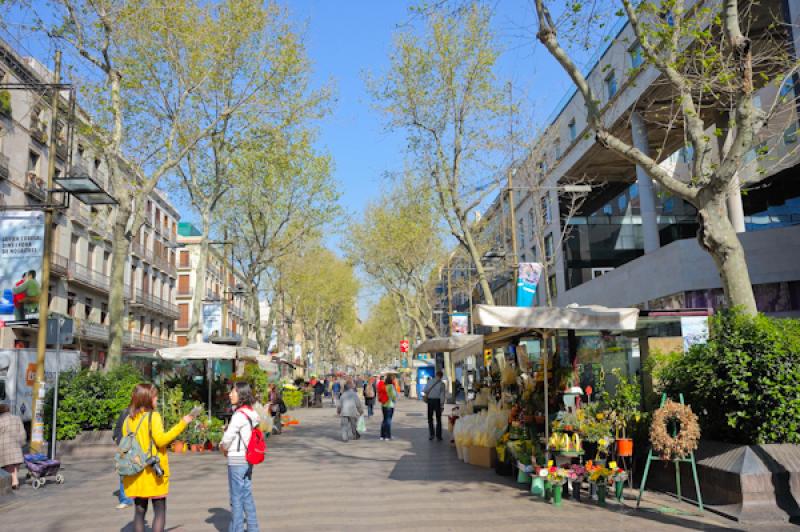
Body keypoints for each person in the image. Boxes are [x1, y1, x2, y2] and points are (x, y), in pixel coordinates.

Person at [122, 383, 196, 532]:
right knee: (160, 511)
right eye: (155, 396)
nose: (157, 399)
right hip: (153, 472)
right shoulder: (153, 417)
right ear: (147, 398)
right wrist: (182, 423)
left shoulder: (128, 420)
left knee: (139, 512)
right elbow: (161, 440)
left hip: (135, 471)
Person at [220, 381, 261, 532]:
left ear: (241, 394)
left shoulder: (239, 415)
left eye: (233, 392)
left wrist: (222, 447)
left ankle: (236, 529)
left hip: (236, 459)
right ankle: (253, 528)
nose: (230, 394)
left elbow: (227, 439)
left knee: (236, 499)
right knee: (247, 496)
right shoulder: (252, 413)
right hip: (248, 459)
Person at [0, 402, 25, 490]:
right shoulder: (17, 418)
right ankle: (15, 480)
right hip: (16, 444)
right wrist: (22, 443)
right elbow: (22, 432)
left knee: (8, 464)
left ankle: (14, 481)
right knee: (15, 463)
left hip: (4, 446)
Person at [113, 408, 135, 509]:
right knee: (125, 472)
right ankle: (127, 498)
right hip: (127, 446)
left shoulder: (127, 411)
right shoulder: (127, 412)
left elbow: (117, 429)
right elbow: (118, 428)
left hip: (130, 446)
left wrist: (117, 438)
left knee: (126, 471)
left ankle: (128, 498)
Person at [423, 371, 446, 441]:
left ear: (436, 375)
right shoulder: (442, 384)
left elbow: (425, 390)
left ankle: (431, 435)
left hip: (430, 401)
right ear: (441, 376)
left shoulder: (430, 381)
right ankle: (438, 436)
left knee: (430, 418)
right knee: (438, 419)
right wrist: (442, 405)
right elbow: (442, 395)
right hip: (437, 402)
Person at [379, 375, 397, 441]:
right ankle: (387, 436)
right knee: (388, 421)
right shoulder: (391, 386)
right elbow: (394, 396)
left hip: (383, 405)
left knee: (384, 420)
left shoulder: (384, 386)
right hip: (390, 405)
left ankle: (382, 435)